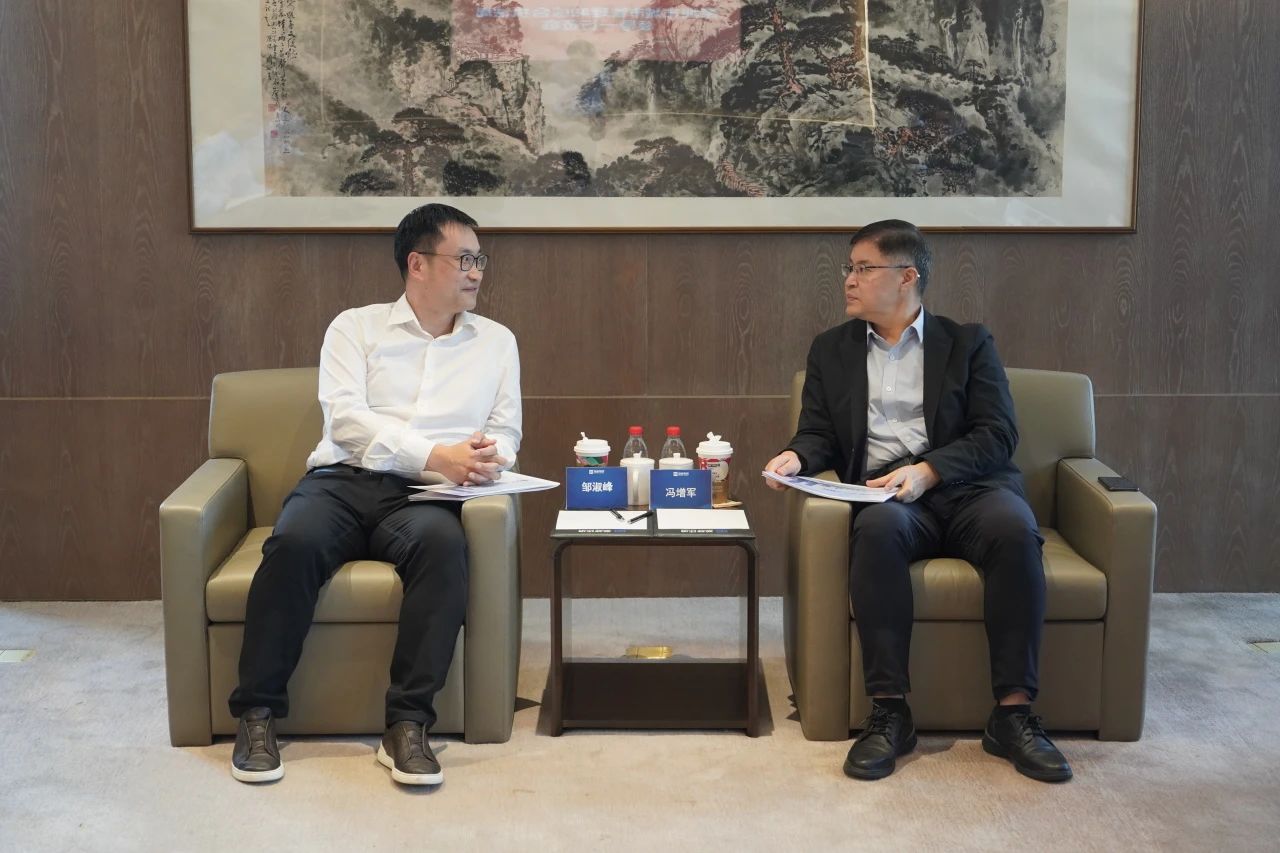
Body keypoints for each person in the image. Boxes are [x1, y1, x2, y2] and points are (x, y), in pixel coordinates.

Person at [763, 220, 1072, 783]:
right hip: (888, 495)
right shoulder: (832, 350)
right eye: (850, 268)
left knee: (1014, 531)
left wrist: (930, 471)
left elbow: (998, 433)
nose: (848, 280)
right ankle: (889, 713)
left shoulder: (968, 343)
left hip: (971, 488)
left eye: (863, 268)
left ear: (906, 277)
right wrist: (795, 457)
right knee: (876, 533)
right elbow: (818, 433)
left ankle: (1013, 715)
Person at [228, 204, 521, 786]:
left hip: (425, 496)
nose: (476, 271)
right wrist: (437, 454)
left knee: (444, 551)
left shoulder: (496, 342)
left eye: (480, 259)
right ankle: (257, 714)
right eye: (464, 258)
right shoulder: (355, 327)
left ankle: (407, 724)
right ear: (418, 263)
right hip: (342, 482)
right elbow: (346, 422)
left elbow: (506, 428)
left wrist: (488, 458)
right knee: (293, 544)